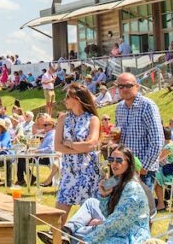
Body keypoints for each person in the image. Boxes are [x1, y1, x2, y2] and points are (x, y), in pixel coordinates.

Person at [64, 145, 151, 244]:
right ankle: (65, 231)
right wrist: (104, 196)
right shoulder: (117, 182)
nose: (114, 163)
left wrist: (89, 240)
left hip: (131, 236)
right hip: (119, 231)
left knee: (79, 237)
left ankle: (66, 233)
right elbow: (108, 214)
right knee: (77, 233)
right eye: (111, 159)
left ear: (129, 164)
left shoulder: (132, 187)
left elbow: (117, 222)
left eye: (119, 160)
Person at [54, 83, 102, 230]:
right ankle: (54, 236)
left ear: (77, 99)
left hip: (88, 171)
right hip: (69, 170)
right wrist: (79, 147)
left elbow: (92, 144)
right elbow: (57, 146)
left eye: (68, 97)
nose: (65, 100)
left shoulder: (92, 119)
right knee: (59, 212)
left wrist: (69, 144)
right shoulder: (63, 118)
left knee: (88, 212)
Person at [113, 73, 164, 189]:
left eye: (128, 86)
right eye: (120, 86)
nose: (124, 89)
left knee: (142, 205)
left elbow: (157, 141)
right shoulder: (119, 108)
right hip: (124, 167)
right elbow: (118, 136)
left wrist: (142, 168)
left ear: (137, 86)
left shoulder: (147, 106)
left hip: (143, 171)